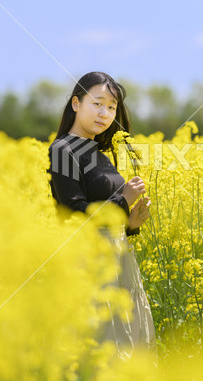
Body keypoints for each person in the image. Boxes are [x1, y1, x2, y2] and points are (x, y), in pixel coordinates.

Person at [47, 71, 157, 363]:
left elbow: (109, 214)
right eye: (98, 103)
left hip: (119, 259)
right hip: (88, 262)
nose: (105, 113)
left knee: (131, 346)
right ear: (75, 104)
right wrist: (124, 201)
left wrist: (131, 224)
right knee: (101, 349)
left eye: (111, 107)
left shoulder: (101, 154)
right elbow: (73, 211)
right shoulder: (62, 149)